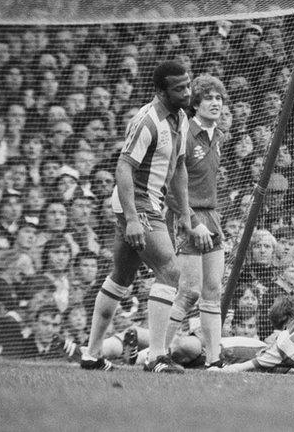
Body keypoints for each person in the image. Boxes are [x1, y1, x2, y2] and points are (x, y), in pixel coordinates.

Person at [81, 60, 211, 373]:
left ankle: (91, 355)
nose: (186, 92)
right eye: (179, 88)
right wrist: (133, 218)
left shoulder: (180, 118)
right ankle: (156, 356)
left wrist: (187, 217)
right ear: (160, 91)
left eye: (188, 85)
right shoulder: (147, 120)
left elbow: (178, 168)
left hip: (150, 204)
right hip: (137, 203)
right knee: (169, 270)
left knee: (121, 277)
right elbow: (124, 167)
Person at [164, 74, 228, 368]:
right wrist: (190, 221)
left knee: (213, 290)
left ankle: (214, 360)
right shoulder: (185, 134)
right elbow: (171, 188)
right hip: (187, 216)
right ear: (196, 103)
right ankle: (158, 352)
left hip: (211, 216)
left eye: (219, 98)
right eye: (209, 98)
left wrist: (206, 220)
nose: (215, 103)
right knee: (189, 290)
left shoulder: (219, 136)